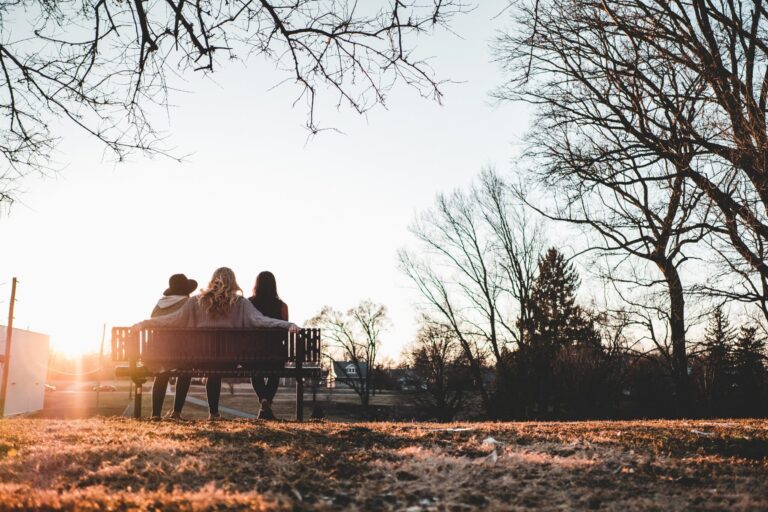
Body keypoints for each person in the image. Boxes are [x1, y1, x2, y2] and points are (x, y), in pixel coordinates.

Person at [134, 267, 300, 420]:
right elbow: (261, 321)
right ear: (233, 282)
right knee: (217, 368)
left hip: (199, 361)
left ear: (212, 281)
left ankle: (213, 414)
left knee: (211, 367)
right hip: (230, 361)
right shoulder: (241, 303)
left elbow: (172, 320)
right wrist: (287, 325)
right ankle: (215, 414)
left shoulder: (196, 302)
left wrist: (144, 324)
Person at [149, 273, 198, 420]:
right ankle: (176, 412)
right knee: (186, 371)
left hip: (160, 352)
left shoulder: (159, 304)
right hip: (181, 352)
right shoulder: (189, 303)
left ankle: (155, 414)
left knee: (162, 373)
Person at [248, 271, 289, 420]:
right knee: (275, 372)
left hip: (253, 354)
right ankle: (266, 401)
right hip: (275, 354)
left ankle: (263, 400)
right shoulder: (282, 306)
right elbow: (285, 331)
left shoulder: (248, 303)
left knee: (254, 371)